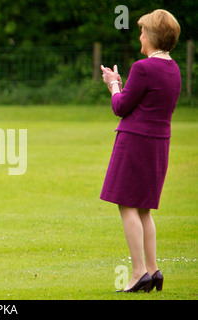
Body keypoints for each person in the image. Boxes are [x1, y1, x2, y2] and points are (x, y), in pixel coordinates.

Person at [100, 9, 181, 292]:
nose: (140, 36)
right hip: (159, 144)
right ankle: (152, 270)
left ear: (153, 35)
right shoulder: (173, 68)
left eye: (143, 31)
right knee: (144, 209)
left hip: (135, 142)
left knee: (127, 205)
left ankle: (138, 273)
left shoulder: (143, 67)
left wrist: (113, 86)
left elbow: (121, 107)